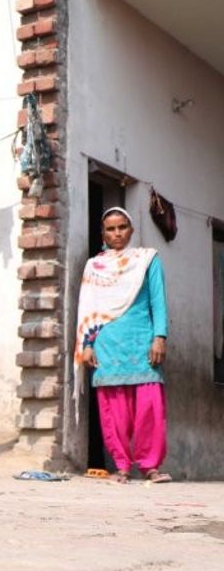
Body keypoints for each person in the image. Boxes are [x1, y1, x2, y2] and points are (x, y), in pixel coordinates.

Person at [75, 207, 171, 484]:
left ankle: (150, 466)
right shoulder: (95, 266)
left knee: (150, 407)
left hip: (142, 341)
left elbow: (158, 301)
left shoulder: (147, 260)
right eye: (110, 229)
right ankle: (122, 466)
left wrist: (160, 337)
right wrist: (88, 344)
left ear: (131, 230)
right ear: (103, 233)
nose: (117, 233)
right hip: (107, 343)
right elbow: (89, 307)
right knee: (114, 410)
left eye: (122, 227)